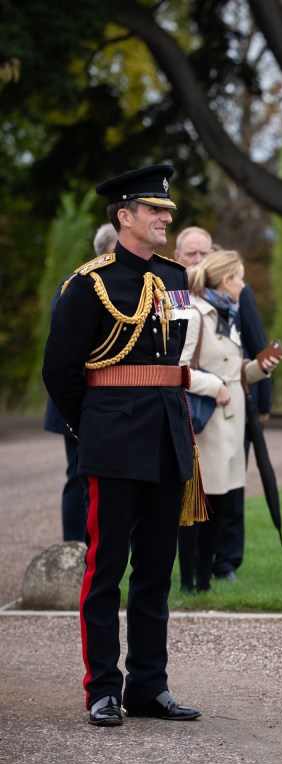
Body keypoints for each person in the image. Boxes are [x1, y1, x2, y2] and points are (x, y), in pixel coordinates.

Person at [42, 164, 202, 726]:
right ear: (124, 215)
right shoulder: (88, 284)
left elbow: (177, 355)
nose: (165, 218)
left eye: (167, 211)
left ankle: (148, 686)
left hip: (164, 434)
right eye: (154, 210)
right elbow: (60, 371)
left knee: (157, 568)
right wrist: (93, 429)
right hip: (112, 437)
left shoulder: (176, 277)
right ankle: (103, 688)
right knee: (106, 567)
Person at [176, 251, 279, 592]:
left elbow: (233, 371)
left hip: (232, 424)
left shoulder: (228, 315)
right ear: (224, 281)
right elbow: (178, 368)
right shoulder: (196, 314)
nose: (243, 284)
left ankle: (204, 581)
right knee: (198, 507)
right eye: (239, 278)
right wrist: (214, 385)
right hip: (206, 425)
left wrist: (259, 367)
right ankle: (190, 582)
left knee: (220, 505)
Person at [42, 224, 118, 543]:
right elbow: (64, 354)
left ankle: (101, 551)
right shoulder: (78, 285)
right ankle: (73, 551)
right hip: (77, 399)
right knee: (78, 477)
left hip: (106, 403)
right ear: (107, 251)